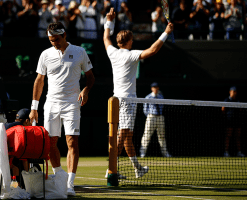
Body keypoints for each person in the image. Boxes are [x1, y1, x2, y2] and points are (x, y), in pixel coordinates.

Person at [103, 8, 173, 178]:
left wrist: (109, 21)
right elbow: (153, 50)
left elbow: (106, 37)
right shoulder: (130, 55)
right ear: (129, 41)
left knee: (128, 137)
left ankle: (137, 168)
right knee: (122, 136)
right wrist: (165, 33)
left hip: (116, 101)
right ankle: (111, 170)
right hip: (127, 101)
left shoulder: (112, 52)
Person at [29, 22, 95, 196]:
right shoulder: (45, 54)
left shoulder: (80, 52)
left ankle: (70, 184)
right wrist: (34, 108)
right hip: (51, 104)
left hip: (72, 103)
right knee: (50, 143)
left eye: (56, 39)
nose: (54, 43)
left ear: (64, 35)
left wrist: (86, 90)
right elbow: (39, 81)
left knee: (72, 141)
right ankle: (60, 177)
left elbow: (90, 77)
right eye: (51, 40)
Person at [140, 82, 171, 158]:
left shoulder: (161, 97)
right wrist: (150, 116)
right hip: (151, 117)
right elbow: (145, 109)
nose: (155, 89)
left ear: (158, 88)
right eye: (154, 87)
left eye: (156, 87)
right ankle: (142, 153)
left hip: (160, 117)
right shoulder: (148, 97)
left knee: (162, 136)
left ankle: (165, 153)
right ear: (152, 89)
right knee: (147, 135)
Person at [222, 87, 245, 157]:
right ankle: (226, 152)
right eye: (233, 91)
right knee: (228, 136)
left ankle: (239, 152)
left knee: (238, 137)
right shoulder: (227, 100)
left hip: (237, 121)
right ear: (230, 92)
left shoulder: (237, 100)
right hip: (229, 121)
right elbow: (223, 109)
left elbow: (240, 109)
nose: (234, 93)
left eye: (235, 91)